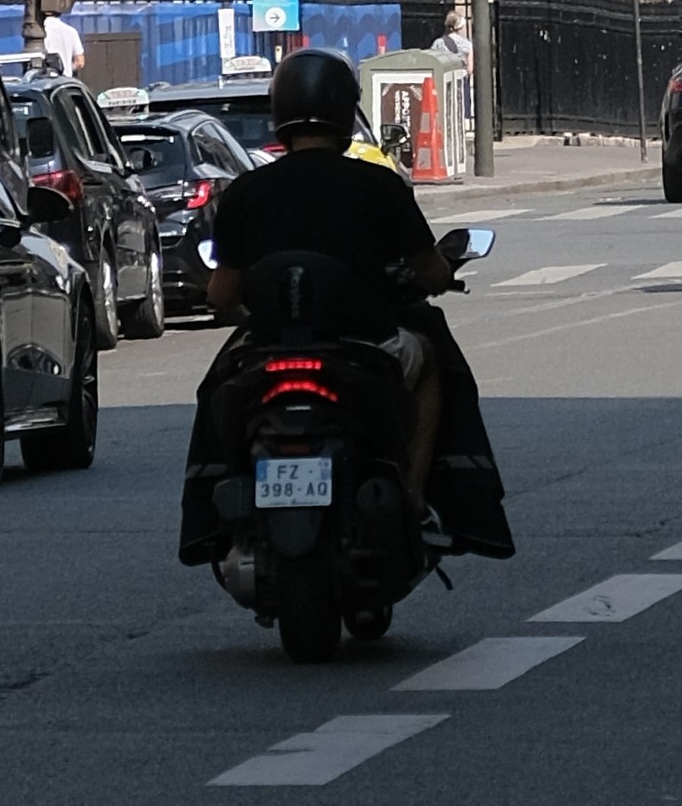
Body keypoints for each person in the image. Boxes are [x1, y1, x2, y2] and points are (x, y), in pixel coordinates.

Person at [196, 45, 510, 550]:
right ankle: (412, 496)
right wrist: (439, 272)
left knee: (213, 391)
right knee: (431, 365)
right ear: (346, 110)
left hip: (267, 350)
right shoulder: (378, 184)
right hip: (364, 348)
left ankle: (210, 512)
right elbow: (429, 271)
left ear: (281, 112)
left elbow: (221, 292)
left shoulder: (245, 192)